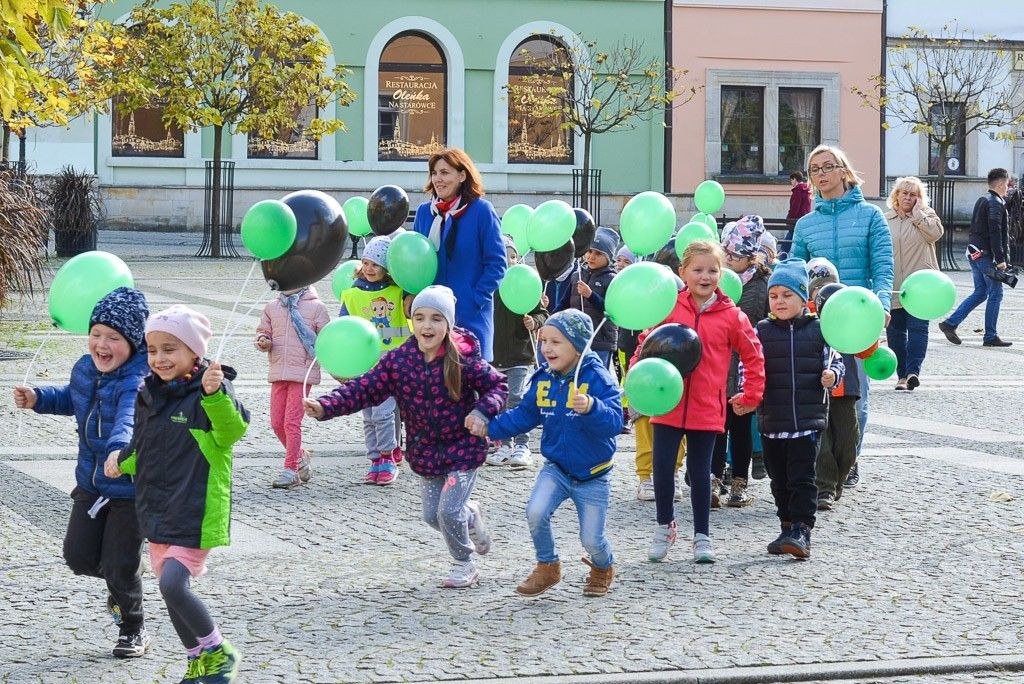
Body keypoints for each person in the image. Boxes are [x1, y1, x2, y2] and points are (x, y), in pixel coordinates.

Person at [304, 286, 508, 588]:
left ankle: (464, 563)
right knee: (431, 516)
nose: (428, 326)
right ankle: (471, 515)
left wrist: (482, 413)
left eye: (437, 319)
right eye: (421, 317)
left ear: (448, 324)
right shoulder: (399, 361)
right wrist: (325, 406)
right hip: (425, 450)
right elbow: (364, 388)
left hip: (463, 448)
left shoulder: (463, 359)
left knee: (448, 511)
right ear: (411, 321)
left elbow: (497, 386)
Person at [104, 305, 250, 684]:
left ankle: (220, 653)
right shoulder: (148, 393)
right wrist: (121, 461)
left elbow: (230, 433)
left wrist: (214, 396)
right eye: (152, 350)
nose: (159, 358)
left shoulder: (211, 388)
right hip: (156, 509)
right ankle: (196, 660)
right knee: (170, 593)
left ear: (194, 353)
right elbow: (143, 445)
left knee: (172, 584)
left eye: (170, 349)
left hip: (195, 508)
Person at [13, 287, 150, 658]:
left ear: (134, 343)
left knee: (120, 564)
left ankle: (132, 628)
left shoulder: (138, 380)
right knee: (79, 558)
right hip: (90, 483)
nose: (102, 344)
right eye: (96, 334)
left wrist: (119, 450)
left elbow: (127, 419)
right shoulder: (85, 368)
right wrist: (39, 398)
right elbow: (73, 398)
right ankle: (119, 585)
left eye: (113, 338)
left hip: (128, 491)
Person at [468, 309, 623, 597]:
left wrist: (592, 407)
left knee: (592, 539)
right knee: (535, 512)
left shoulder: (598, 377)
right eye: (543, 341)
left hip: (593, 474)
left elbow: (615, 423)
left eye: (556, 342)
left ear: (578, 345)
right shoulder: (544, 379)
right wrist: (489, 429)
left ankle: (603, 566)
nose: (547, 348)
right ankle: (547, 565)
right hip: (557, 468)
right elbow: (524, 416)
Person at [637, 240, 765, 564]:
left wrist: (752, 394)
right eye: (697, 270)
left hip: (707, 406)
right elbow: (647, 342)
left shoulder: (731, 315)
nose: (705, 276)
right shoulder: (668, 306)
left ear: (721, 274)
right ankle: (664, 525)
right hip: (667, 403)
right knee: (662, 468)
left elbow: (753, 353)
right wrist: (640, 376)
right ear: (683, 272)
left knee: (701, 472)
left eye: (712, 270)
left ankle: (702, 536)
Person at [791, 144, 894, 488]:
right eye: (815, 169)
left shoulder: (871, 217)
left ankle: (848, 461)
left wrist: (880, 304)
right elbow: (796, 269)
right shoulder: (806, 224)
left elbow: (882, 266)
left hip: (858, 319)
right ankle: (824, 470)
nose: (821, 174)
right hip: (816, 321)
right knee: (818, 395)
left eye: (827, 167)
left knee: (856, 399)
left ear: (844, 171)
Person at [756, 259, 845, 559]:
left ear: (802, 297)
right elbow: (750, 366)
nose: (779, 301)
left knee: (803, 478)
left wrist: (831, 376)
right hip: (772, 419)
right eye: (774, 296)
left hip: (807, 420)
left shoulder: (819, 330)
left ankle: (802, 529)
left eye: (787, 295)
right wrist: (748, 392)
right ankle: (786, 525)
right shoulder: (762, 331)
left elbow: (836, 361)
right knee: (778, 478)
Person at [412, 148, 507, 361]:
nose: (438, 179)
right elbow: (414, 263)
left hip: (470, 316)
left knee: (470, 384)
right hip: (432, 319)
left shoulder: (482, 210)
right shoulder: (424, 213)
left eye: (445, 173)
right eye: (434, 173)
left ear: (462, 176)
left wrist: (475, 298)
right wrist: (411, 296)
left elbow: (497, 264)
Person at [339, 235, 410, 484]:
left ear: (387, 268)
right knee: (368, 414)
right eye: (367, 263)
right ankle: (375, 460)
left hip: (391, 364)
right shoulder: (353, 294)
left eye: (376, 265)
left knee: (383, 412)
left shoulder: (399, 292)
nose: (370, 269)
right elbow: (343, 330)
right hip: (364, 363)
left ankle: (388, 456)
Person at [713, 216, 771, 508]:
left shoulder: (759, 286)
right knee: (715, 425)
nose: (727, 259)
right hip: (718, 364)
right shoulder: (721, 281)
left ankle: (738, 481)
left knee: (739, 425)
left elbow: (757, 326)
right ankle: (713, 478)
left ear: (749, 257)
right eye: (726, 253)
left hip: (743, 365)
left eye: (733, 256)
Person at [256, 284, 330, 489]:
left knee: (291, 422)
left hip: (303, 373)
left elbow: (326, 340)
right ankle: (300, 455)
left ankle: (291, 470)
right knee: (277, 423)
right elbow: (264, 331)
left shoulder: (317, 307)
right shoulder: (272, 306)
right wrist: (264, 340)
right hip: (279, 370)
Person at [487, 235, 548, 469]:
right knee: (500, 402)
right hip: (495, 355)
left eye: (513, 256)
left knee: (517, 399)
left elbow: (542, 313)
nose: (510, 260)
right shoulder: (490, 286)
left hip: (520, 355)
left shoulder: (524, 283)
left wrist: (534, 320)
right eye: (504, 256)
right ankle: (503, 445)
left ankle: (522, 445)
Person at [939, 167, 1013, 348]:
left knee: (981, 292)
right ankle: (990, 336)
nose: (1008, 188)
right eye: (1008, 185)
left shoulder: (983, 199)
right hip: (985, 256)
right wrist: (1001, 258)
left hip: (974, 253)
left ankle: (950, 323)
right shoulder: (995, 202)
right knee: (996, 293)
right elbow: (995, 231)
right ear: (1002, 183)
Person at [807, 264, 860, 511]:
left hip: (846, 388)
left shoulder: (851, 320)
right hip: (817, 389)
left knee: (848, 440)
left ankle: (837, 481)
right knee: (823, 441)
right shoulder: (809, 322)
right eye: (816, 288)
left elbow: (866, 348)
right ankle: (824, 487)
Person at [884, 176, 944, 390]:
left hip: (922, 286)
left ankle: (913, 372)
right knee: (896, 332)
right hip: (895, 283)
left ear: (919, 198)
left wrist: (918, 215)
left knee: (918, 329)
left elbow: (935, 234)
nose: (908, 197)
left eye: (913, 194)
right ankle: (901, 375)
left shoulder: (927, 216)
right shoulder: (886, 219)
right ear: (896, 195)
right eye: (904, 193)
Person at [569, 227, 618, 368]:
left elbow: (612, 310)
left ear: (608, 257)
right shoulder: (577, 275)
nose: (591, 256)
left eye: (598, 253)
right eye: (589, 251)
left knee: (597, 379)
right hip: (576, 339)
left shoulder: (612, 279)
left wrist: (590, 295)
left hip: (600, 341)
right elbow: (566, 303)